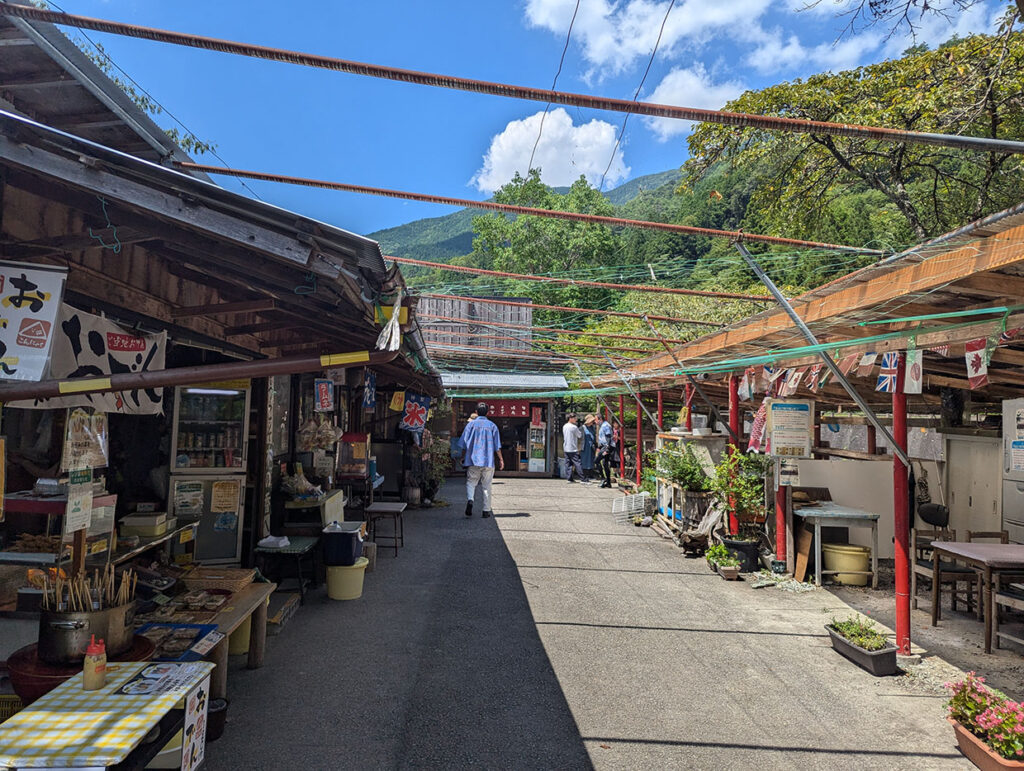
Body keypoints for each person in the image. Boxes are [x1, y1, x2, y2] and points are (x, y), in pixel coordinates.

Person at [460, 402, 503, 517]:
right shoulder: (492, 426)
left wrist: (463, 457)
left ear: (476, 412)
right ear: (487, 412)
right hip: (488, 460)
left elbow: (464, 444)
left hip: (473, 460)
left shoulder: (470, 425)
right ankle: (486, 510)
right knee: (487, 485)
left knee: (471, 482)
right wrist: (501, 459)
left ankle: (470, 499)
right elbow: (497, 446)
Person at [562, 413, 587, 483]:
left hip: (566, 447)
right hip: (573, 448)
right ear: (570, 418)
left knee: (568, 464)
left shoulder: (565, 426)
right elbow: (579, 435)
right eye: (575, 418)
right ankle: (583, 479)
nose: (576, 419)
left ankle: (569, 478)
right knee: (577, 463)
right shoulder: (574, 427)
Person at [596, 414, 615, 488]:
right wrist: (599, 446)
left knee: (596, 461)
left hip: (607, 447)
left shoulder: (605, 425)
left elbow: (608, 437)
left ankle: (603, 478)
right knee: (605, 463)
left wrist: (607, 449)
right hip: (604, 446)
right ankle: (608, 482)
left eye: (596, 420)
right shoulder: (603, 426)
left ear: (600, 419)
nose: (595, 421)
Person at [581, 414, 597, 479]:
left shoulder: (592, 427)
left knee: (591, 460)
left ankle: (591, 474)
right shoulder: (583, 428)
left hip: (591, 446)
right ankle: (585, 474)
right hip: (585, 446)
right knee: (585, 460)